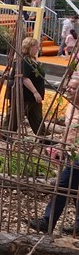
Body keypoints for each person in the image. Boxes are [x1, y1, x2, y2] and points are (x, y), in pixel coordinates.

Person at [28, 76, 79, 235]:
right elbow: (69, 132)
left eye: (74, 88)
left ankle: (47, 221)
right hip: (72, 152)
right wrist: (59, 146)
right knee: (75, 188)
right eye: (68, 87)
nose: (69, 90)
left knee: (63, 185)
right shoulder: (70, 107)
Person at [6, 37, 47, 136]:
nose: (38, 49)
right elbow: (24, 78)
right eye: (36, 47)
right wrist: (35, 92)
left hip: (33, 96)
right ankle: (5, 134)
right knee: (15, 114)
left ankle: (42, 136)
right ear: (29, 47)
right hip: (25, 94)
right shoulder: (24, 60)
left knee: (36, 116)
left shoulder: (33, 60)